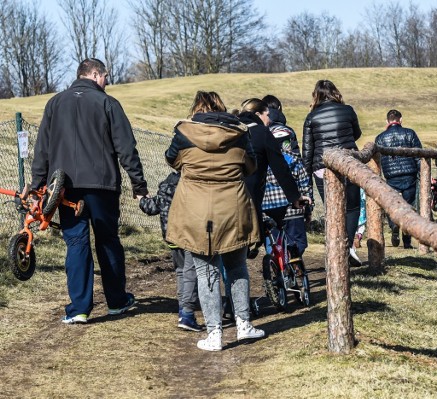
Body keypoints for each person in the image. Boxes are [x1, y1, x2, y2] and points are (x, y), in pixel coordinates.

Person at [31, 58, 147, 324]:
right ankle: (117, 301)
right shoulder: (108, 104)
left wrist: (39, 183)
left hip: (65, 188)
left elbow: (43, 149)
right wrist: (138, 185)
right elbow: (126, 148)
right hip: (102, 186)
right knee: (108, 240)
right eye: (105, 76)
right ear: (94, 74)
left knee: (76, 243)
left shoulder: (55, 103)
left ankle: (80, 309)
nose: (108, 81)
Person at [165, 91, 264, 351]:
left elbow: (171, 159)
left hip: (195, 211)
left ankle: (214, 333)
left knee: (204, 271)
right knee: (237, 267)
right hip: (233, 207)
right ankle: (243, 324)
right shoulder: (240, 134)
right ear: (220, 108)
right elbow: (251, 165)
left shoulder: (184, 134)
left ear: (196, 109)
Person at [302, 79, 363, 266]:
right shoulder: (348, 110)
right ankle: (348, 245)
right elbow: (357, 134)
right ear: (335, 92)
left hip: (322, 169)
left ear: (316, 95)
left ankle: (335, 249)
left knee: (332, 209)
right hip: (348, 164)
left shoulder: (311, 117)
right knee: (352, 207)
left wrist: (306, 175)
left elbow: (307, 150)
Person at [237, 98, 305, 257]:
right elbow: (280, 168)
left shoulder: (231, 130)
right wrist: (294, 197)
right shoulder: (262, 133)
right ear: (257, 114)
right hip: (252, 196)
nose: (269, 119)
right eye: (267, 115)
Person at [139, 171, 204, 331]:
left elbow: (151, 208)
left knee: (181, 272)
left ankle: (183, 309)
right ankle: (187, 312)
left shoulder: (165, 187)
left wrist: (142, 200)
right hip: (189, 236)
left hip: (172, 238)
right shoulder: (191, 185)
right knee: (191, 273)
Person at [261, 95, 313, 256]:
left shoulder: (259, 133)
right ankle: (294, 260)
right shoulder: (288, 131)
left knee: (273, 241)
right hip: (293, 201)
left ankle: (277, 268)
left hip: (268, 204)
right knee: (297, 240)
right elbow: (299, 168)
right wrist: (308, 207)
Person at [374, 109, 422, 249]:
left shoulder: (380, 138)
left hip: (391, 177)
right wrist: (423, 174)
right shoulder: (410, 133)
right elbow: (419, 156)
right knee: (408, 207)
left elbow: (377, 159)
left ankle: (394, 225)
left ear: (387, 121)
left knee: (391, 204)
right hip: (409, 175)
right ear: (400, 120)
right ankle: (407, 242)